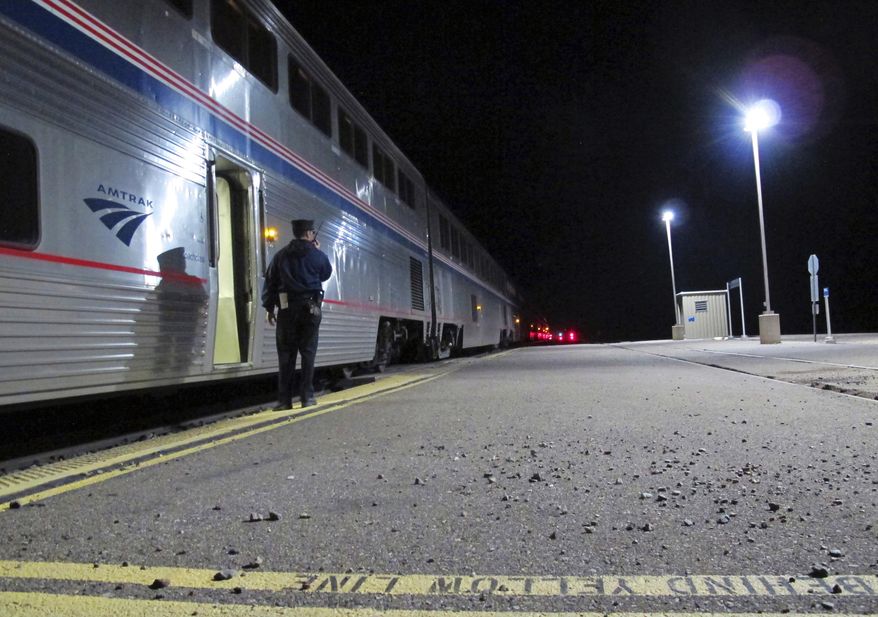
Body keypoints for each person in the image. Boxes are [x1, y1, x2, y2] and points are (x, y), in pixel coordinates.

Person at [262, 219, 332, 409]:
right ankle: (307, 398)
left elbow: (270, 282)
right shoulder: (317, 255)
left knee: (286, 355)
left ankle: (284, 401)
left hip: (286, 310)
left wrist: (269, 308)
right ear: (309, 234)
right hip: (310, 309)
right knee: (308, 353)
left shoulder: (280, 256)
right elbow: (326, 274)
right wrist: (316, 251)